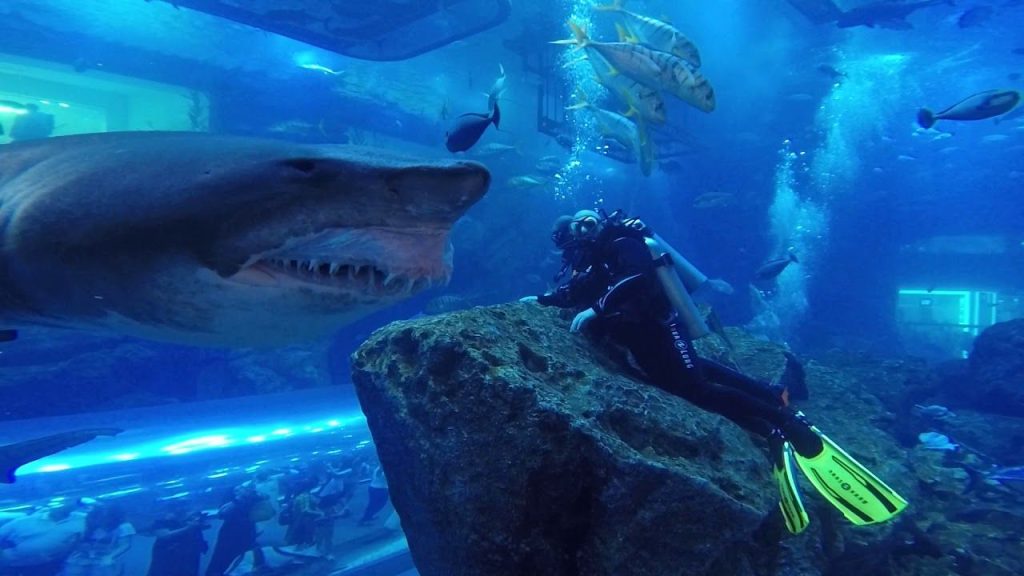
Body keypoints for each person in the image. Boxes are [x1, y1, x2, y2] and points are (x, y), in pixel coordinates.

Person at [522, 209, 907, 534]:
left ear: (601, 221)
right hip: (643, 336)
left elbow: (636, 277)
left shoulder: (623, 243)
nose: (583, 233)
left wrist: (599, 308)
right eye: (575, 231)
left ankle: (783, 426)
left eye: (589, 223)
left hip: (659, 327)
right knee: (692, 373)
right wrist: (542, 300)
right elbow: (578, 288)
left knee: (697, 389)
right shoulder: (594, 259)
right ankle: (771, 395)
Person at [0, 502, 85, 575]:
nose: (62, 508)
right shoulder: (24, 521)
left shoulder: (80, 520)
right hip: (10, 563)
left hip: (47, 565)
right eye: (58, 506)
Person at [60, 503, 134, 576]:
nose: (103, 518)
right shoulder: (92, 522)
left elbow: (125, 544)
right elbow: (79, 540)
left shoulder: (124, 526)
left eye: (107, 515)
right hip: (83, 556)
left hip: (104, 558)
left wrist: (110, 556)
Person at [146, 509, 209, 576]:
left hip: (188, 561)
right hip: (166, 560)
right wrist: (189, 527)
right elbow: (164, 535)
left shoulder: (190, 523)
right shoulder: (160, 522)